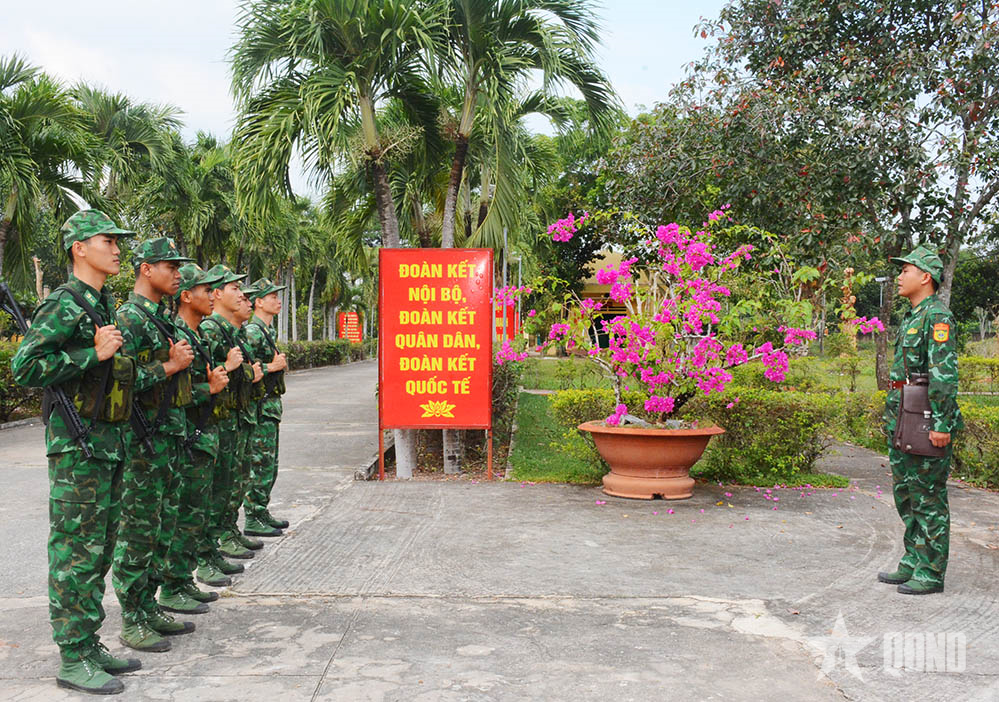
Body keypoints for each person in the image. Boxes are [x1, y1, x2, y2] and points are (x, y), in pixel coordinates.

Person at [11, 209, 139, 695]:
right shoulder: (64, 303)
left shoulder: (101, 304)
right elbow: (25, 367)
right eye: (108, 241)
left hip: (106, 444)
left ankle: (88, 642)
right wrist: (92, 354)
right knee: (75, 552)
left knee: (100, 548)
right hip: (77, 449)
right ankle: (72, 656)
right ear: (79, 248)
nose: (117, 249)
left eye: (118, 241)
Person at [112, 237, 198, 652]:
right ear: (146, 269)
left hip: (167, 438)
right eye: (170, 266)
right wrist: (170, 365)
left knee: (162, 527)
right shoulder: (129, 319)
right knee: (138, 531)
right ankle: (132, 616)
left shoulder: (161, 318)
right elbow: (121, 381)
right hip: (142, 441)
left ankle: (148, 604)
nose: (177, 274)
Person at [879, 245, 963, 595]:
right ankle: (913, 559)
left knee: (928, 496)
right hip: (903, 415)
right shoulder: (913, 316)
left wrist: (942, 423)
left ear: (925, 277)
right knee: (906, 494)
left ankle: (931, 571)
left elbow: (943, 375)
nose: (899, 277)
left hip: (926, 419)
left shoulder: (937, 317)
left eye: (906, 271)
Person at [160, 264, 231, 611]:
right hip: (186, 438)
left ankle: (183, 580)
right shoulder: (178, 335)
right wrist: (210, 388)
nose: (212, 296)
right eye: (205, 290)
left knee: (195, 516)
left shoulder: (198, 335)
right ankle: (172, 587)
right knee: (182, 518)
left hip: (201, 437)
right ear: (187, 296)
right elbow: (171, 391)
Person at [200, 267, 262, 564]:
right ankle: (216, 542)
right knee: (219, 487)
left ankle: (228, 531)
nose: (241, 294)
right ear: (217, 293)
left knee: (234, 482)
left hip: (236, 415)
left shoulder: (229, 330)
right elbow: (210, 374)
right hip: (221, 418)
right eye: (234, 288)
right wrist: (236, 368)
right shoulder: (211, 329)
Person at [242, 278, 291, 537]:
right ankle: (253, 515)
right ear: (259, 302)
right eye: (272, 296)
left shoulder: (266, 331)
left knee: (270, 465)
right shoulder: (253, 332)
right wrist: (272, 367)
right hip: (260, 408)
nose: (277, 301)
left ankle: (261, 511)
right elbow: (244, 370)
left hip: (270, 407)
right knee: (260, 464)